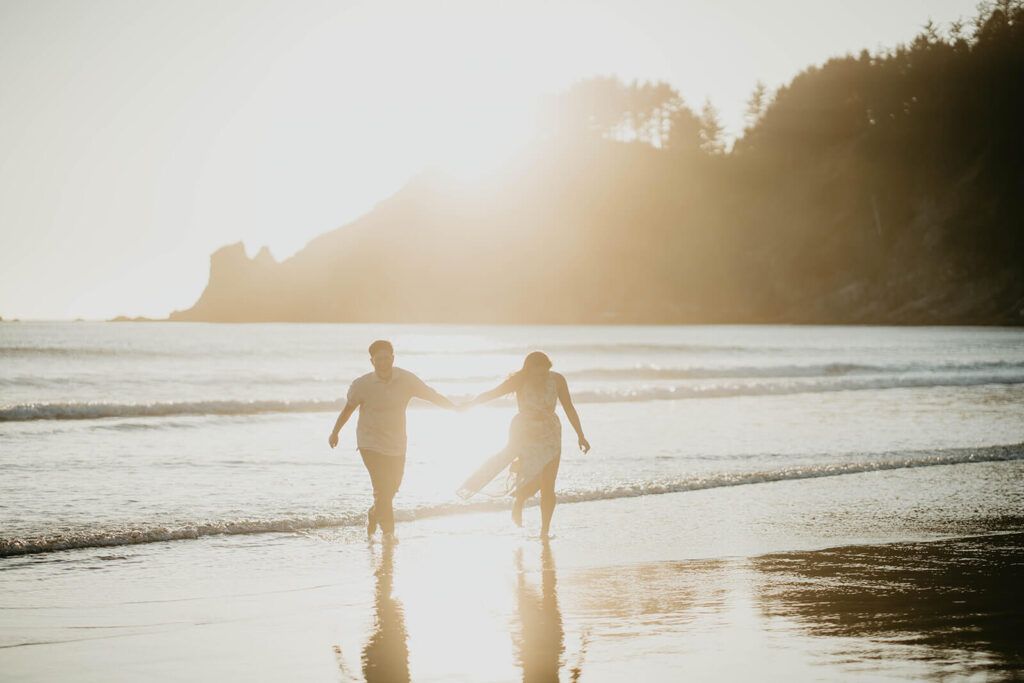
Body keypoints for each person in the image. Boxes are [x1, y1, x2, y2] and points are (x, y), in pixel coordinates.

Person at [329, 339, 457, 541]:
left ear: (393, 358)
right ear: (372, 361)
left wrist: (455, 408)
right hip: (369, 443)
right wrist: (335, 432)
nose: (383, 362)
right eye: (378, 359)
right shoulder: (362, 385)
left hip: (397, 444)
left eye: (386, 358)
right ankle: (389, 535)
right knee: (382, 487)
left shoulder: (406, 380)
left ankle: (374, 513)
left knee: (392, 488)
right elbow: (348, 410)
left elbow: (431, 395)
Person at [461, 351, 590, 537]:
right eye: (537, 374)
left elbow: (569, 407)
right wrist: (470, 404)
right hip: (524, 432)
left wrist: (581, 435)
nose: (541, 377)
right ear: (529, 371)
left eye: (545, 373)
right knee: (528, 475)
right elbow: (493, 393)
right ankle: (518, 502)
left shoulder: (558, 380)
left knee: (548, 484)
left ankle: (544, 531)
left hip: (550, 434)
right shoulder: (519, 381)